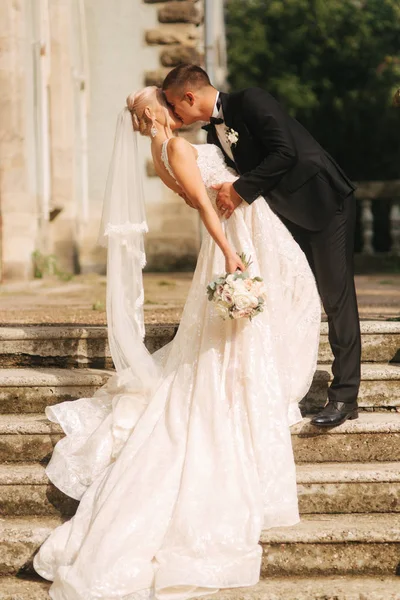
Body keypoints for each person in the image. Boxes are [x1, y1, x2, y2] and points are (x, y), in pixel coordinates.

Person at [33, 86, 320, 599]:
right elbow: (208, 206)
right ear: (151, 113)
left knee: (284, 300)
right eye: (162, 103)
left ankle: (247, 375)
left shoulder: (160, 151)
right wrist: (230, 253)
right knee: (264, 314)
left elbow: (199, 194)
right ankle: (243, 386)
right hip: (234, 232)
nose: (171, 105)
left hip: (242, 224)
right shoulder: (180, 149)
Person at [163, 64, 362, 429]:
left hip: (322, 204)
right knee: (284, 292)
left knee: (336, 297)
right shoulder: (211, 137)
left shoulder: (251, 100)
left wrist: (239, 191)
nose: (176, 115)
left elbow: (285, 152)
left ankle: (346, 396)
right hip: (281, 217)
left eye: (175, 107)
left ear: (190, 97)